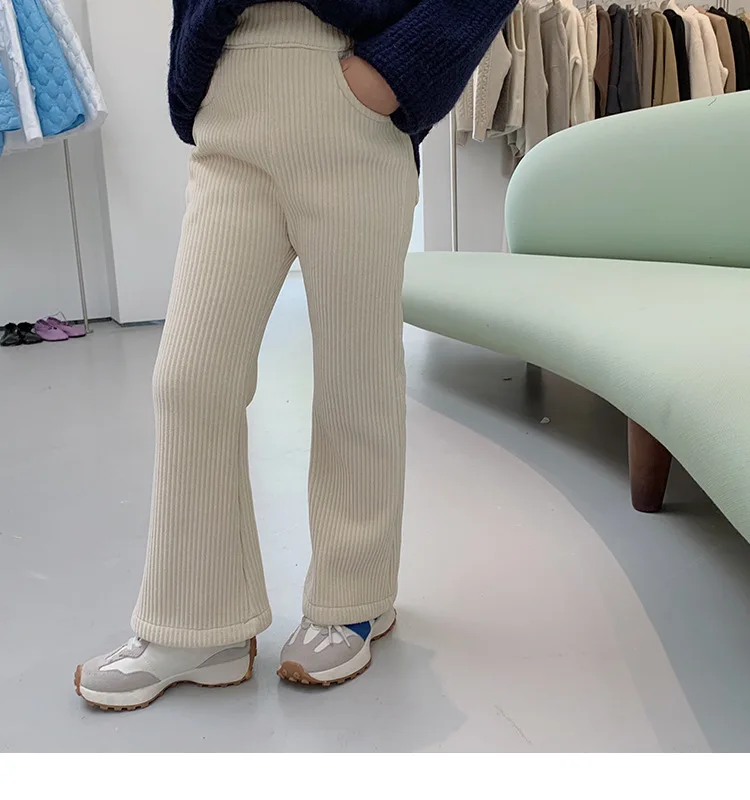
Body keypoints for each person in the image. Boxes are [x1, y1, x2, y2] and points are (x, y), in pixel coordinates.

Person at [75, 0, 517, 711]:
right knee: (190, 380)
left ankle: (355, 598)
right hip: (231, 104)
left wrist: (397, 72)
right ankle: (199, 623)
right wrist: (196, 79)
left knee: (355, 374)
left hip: (352, 98)